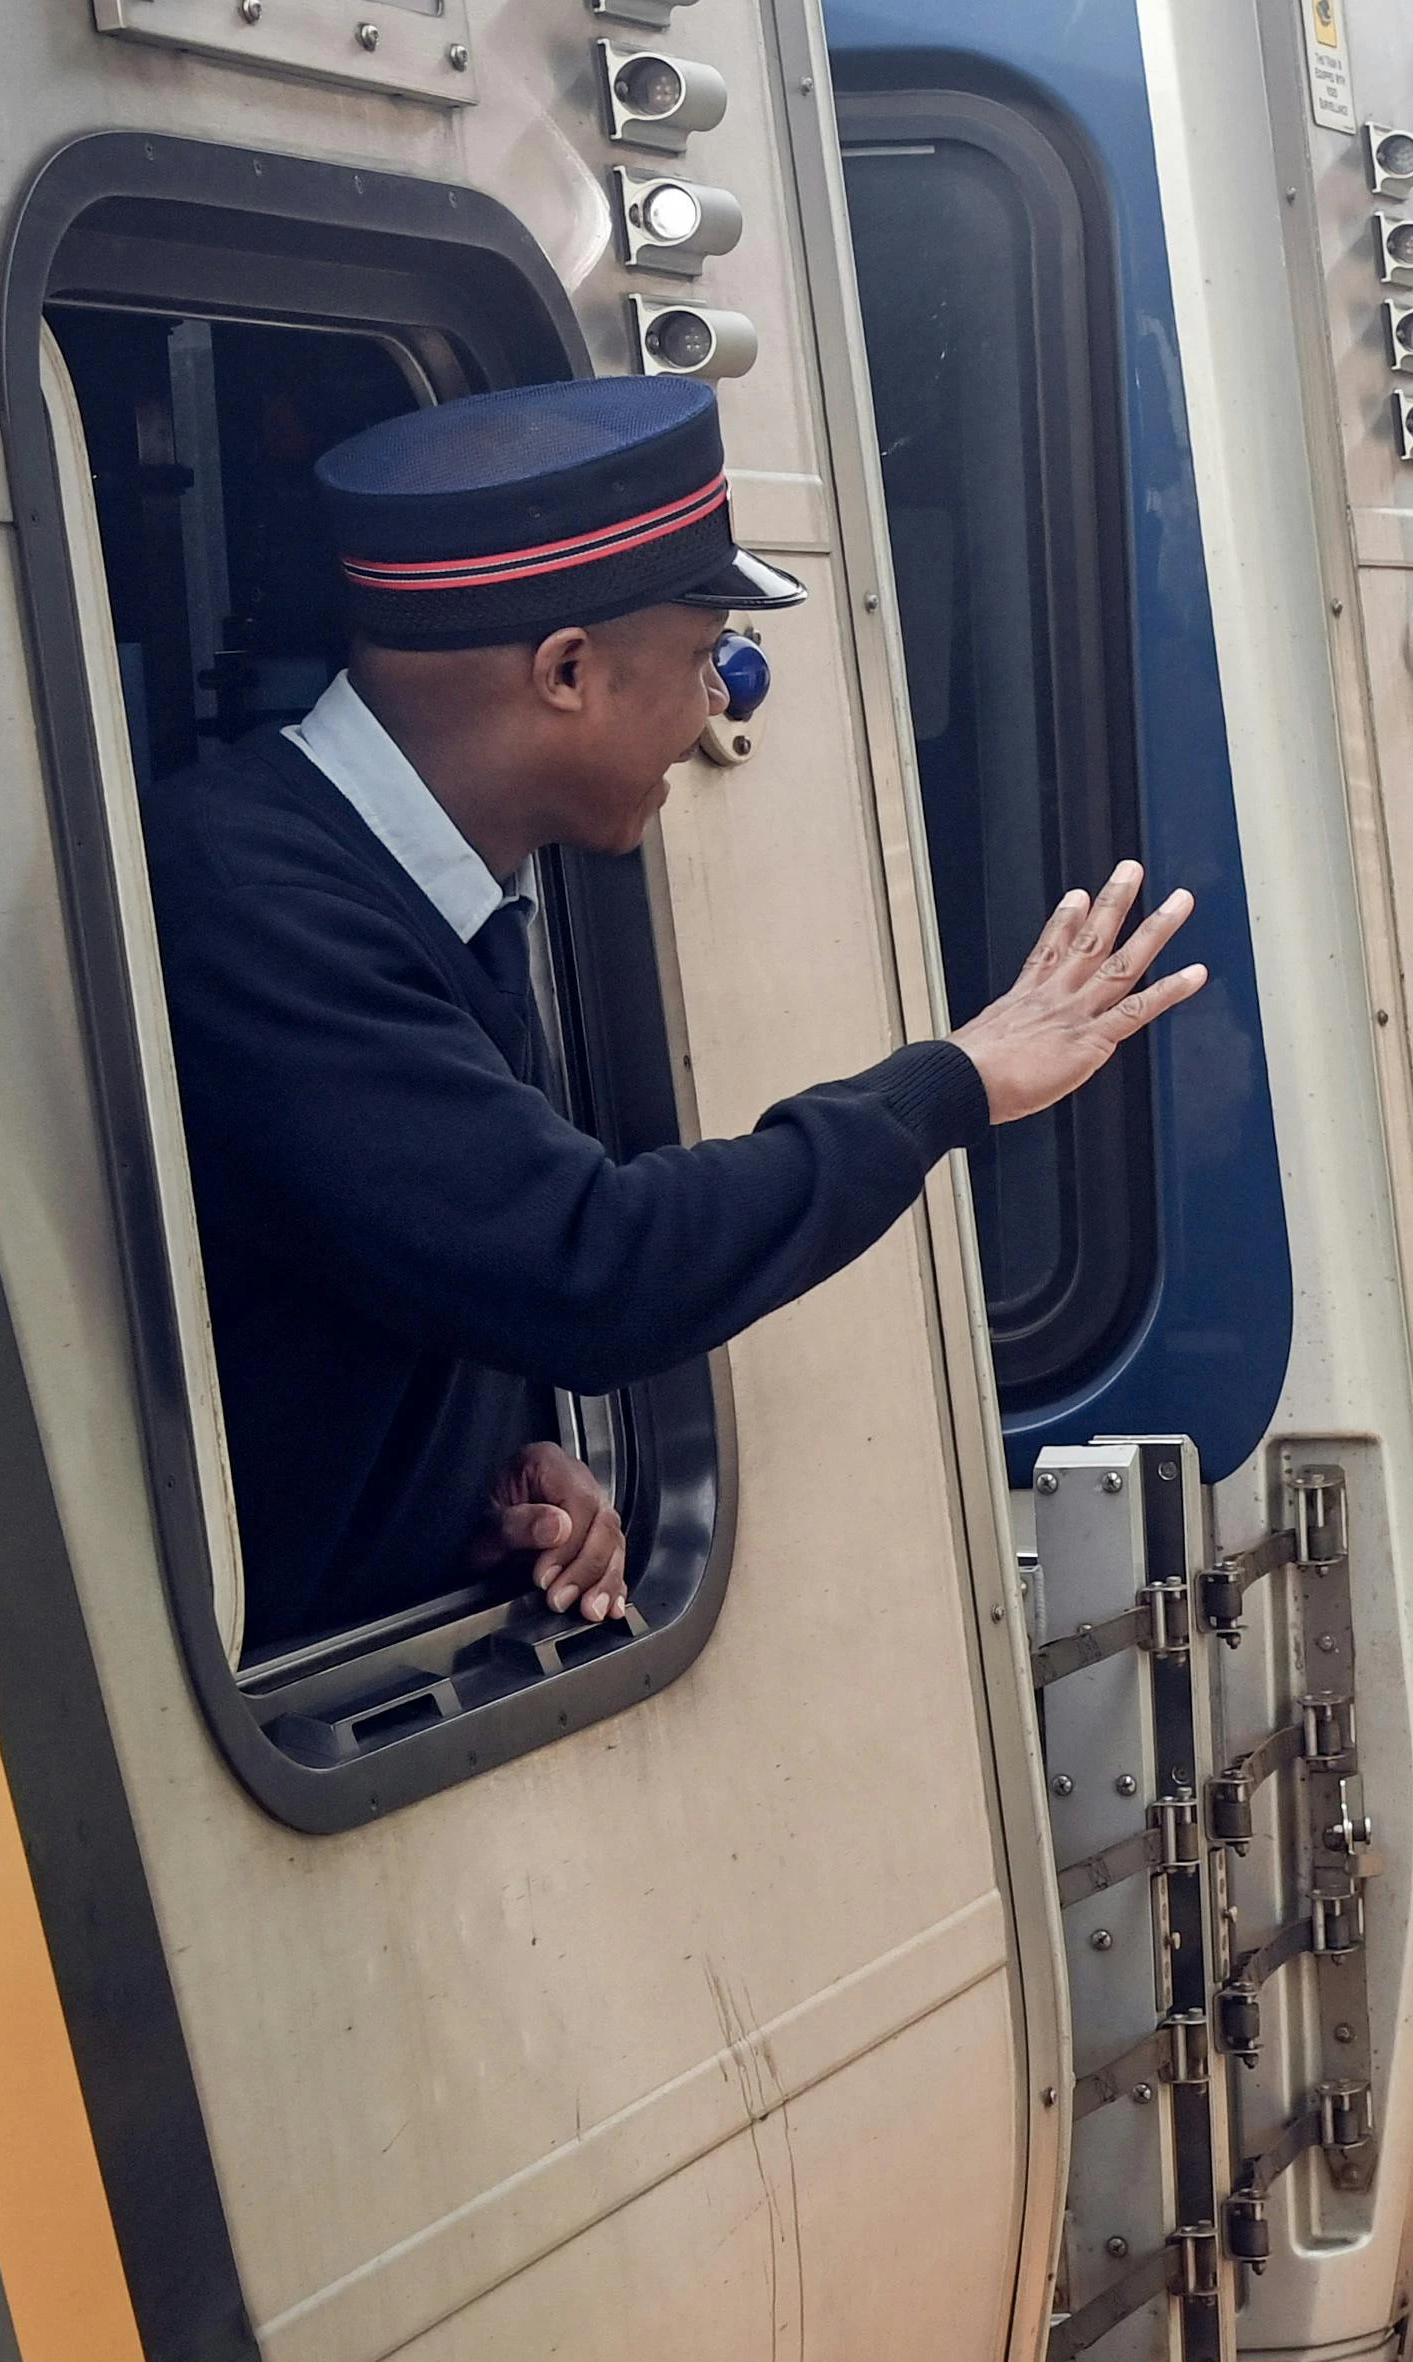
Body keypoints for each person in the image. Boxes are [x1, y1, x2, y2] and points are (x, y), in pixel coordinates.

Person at [151, 374, 1202, 1649]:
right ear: (567, 669)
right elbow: (586, 1268)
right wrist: (953, 1083)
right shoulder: (257, 908)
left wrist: (497, 1464)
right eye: (705, 657)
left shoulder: (416, 881)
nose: (719, 704)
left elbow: (410, 1267)